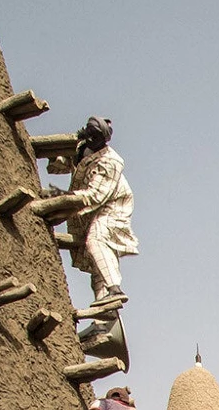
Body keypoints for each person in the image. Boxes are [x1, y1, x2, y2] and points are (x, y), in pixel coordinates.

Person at [30, 116, 138, 305]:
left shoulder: (110, 162)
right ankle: (105, 316)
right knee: (94, 258)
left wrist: (61, 197)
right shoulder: (82, 149)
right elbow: (58, 167)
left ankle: (115, 289)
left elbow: (95, 196)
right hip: (92, 206)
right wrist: (59, 151)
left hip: (113, 206)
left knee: (97, 239)